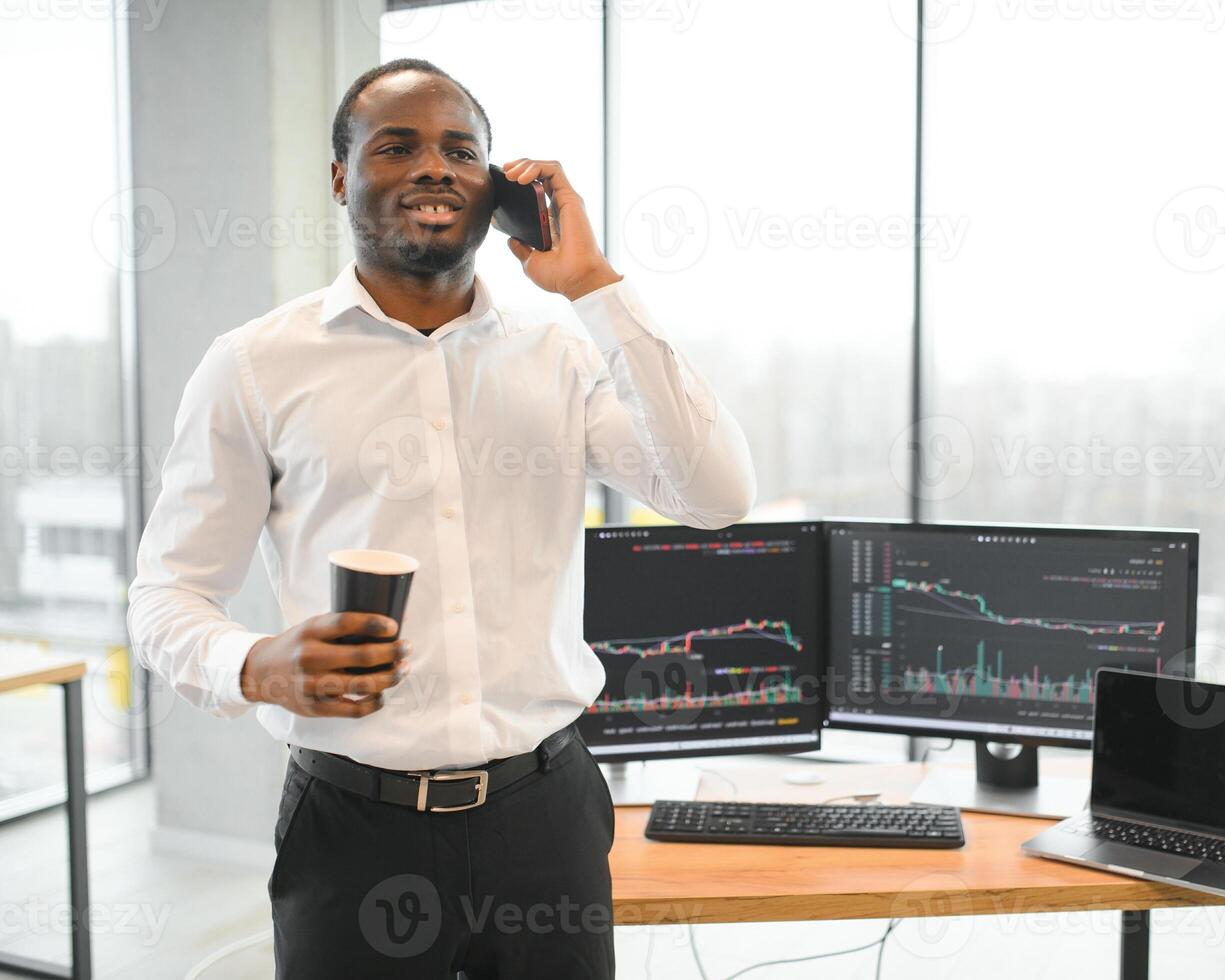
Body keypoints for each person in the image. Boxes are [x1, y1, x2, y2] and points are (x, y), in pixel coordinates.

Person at [126, 57, 756, 979]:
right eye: (397, 146)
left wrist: (593, 286)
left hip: (546, 815)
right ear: (342, 177)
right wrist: (255, 662)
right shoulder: (254, 367)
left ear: (495, 188)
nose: (434, 167)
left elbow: (715, 495)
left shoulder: (561, 356)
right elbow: (164, 596)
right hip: (351, 826)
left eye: (462, 150)